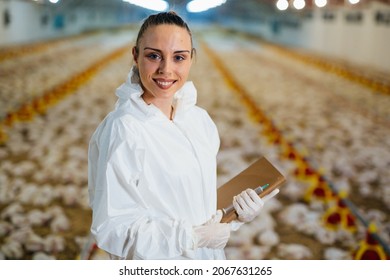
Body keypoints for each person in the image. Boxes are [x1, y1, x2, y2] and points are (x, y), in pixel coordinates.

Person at [88, 11, 279, 260]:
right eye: (154, 55)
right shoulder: (125, 128)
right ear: (135, 56)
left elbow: (194, 204)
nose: (166, 69)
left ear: (191, 59)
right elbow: (113, 227)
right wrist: (192, 237)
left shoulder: (198, 121)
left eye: (179, 57)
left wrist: (232, 215)